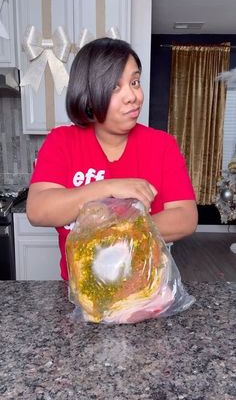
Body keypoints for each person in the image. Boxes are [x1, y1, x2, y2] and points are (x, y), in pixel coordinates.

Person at [26, 37, 198, 280]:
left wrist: (117, 232)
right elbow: (38, 210)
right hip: (80, 295)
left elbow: (186, 218)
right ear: (88, 94)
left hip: (146, 292)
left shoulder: (161, 145)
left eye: (135, 82)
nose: (133, 96)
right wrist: (109, 187)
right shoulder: (62, 141)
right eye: (115, 87)